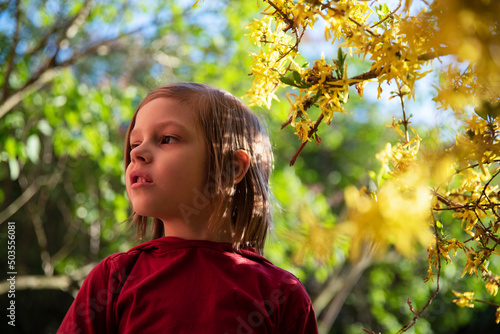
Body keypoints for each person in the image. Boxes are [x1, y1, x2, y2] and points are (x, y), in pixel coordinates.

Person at [58, 82, 318, 333]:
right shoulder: (114, 278)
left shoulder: (281, 294)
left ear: (232, 168)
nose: (136, 153)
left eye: (167, 139)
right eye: (135, 144)